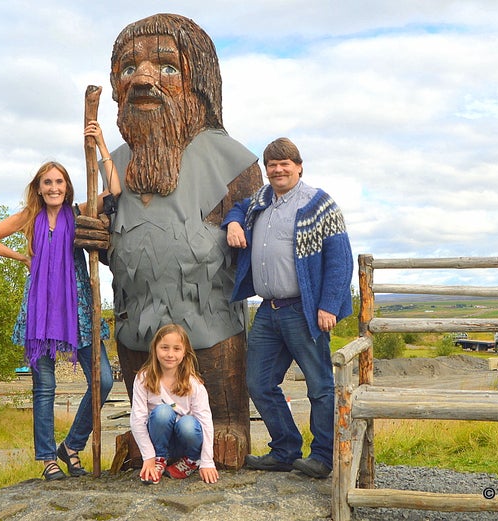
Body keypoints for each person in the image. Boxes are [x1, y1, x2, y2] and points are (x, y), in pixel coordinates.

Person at [75, 13, 263, 469]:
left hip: (211, 321)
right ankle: (150, 444)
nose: (142, 78)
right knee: (144, 381)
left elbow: (257, 236)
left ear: (198, 83)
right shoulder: (113, 164)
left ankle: (228, 425)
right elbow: (115, 243)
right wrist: (94, 237)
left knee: (217, 375)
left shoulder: (232, 161)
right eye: (128, 69)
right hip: (138, 318)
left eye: (166, 67)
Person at [0, 121, 121, 480]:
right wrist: (23, 258)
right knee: (45, 387)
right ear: (39, 189)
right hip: (40, 311)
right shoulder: (30, 217)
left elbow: (115, 189)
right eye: (47, 182)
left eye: (59, 182)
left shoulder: (78, 211)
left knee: (102, 381)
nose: (54, 187)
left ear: (67, 187)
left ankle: (70, 446)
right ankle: (47, 459)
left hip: (79, 309)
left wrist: (101, 143)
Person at [223, 137, 353, 479]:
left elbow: (340, 261)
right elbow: (238, 207)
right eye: (272, 165)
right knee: (259, 381)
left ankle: (323, 457)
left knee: (320, 386)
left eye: (285, 164)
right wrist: (234, 223)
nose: (278, 170)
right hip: (268, 310)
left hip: (304, 309)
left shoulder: (319, 204)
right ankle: (285, 450)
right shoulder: (262, 201)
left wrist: (328, 306)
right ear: (267, 170)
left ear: (298, 167)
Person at [130, 324, 219, 485]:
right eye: (164, 348)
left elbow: (205, 423)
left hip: (185, 440)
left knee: (187, 424)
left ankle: (192, 460)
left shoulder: (194, 384)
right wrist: (148, 457)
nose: (170, 354)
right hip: (159, 441)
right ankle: (159, 459)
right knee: (162, 412)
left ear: (185, 352)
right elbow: (138, 418)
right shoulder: (144, 379)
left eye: (176, 349)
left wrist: (208, 461)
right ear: (155, 349)